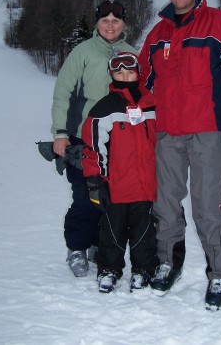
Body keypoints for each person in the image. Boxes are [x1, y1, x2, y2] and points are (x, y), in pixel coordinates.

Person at [138, 0, 221, 310]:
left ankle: (220, 274)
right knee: (165, 204)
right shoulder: (157, 34)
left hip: (207, 130)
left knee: (207, 205)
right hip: (168, 133)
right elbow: (143, 81)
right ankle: (167, 263)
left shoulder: (218, 24)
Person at [51, 0, 136, 277]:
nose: (110, 24)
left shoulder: (130, 53)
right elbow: (62, 93)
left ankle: (98, 244)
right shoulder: (82, 52)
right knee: (85, 196)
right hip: (81, 138)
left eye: (116, 20)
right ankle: (77, 247)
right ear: (97, 23)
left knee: (109, 197)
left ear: (123, 24)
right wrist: (60, 133)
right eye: (104, 20)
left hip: (117, 140)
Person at [81, 52, 159, 293]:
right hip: (115, 187)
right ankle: (109, 269)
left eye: (130, 71)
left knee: (143, 232)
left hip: (146, 186)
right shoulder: (105, 108)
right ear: (111, 75)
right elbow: (93, 147)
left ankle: (143, 270)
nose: (125, 76)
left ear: (138, 73)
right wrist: (96, 181)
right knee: (112, 231)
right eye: (119, 72)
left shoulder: (151, 106)